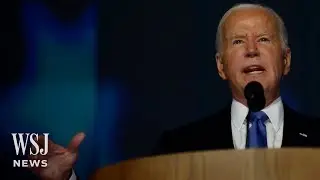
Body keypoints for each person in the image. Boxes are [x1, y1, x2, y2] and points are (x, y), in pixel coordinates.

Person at [22, 3, 320, 180]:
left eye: (264, 39)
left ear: (286, 59)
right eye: (238, 42)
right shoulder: (180, 146)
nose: (252, 50)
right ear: (220, 67)